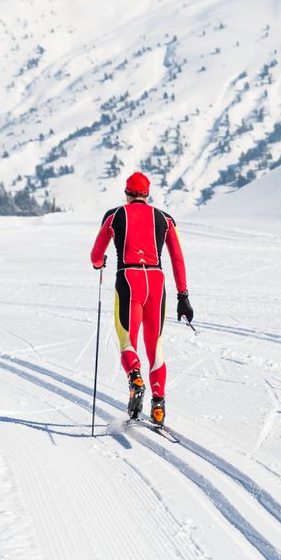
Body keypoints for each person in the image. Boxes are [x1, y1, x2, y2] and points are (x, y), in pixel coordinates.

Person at [89, 170, 193, 426]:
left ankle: (135, 376)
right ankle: (158, 404)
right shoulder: (165, 219)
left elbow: (95, 255)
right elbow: (177, 258)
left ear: (127, 194)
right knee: (155, 346)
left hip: (128, 280)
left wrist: (99, 262)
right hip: (157, 283)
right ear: (147, 195)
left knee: (127, 342)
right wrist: (183, 296)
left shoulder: (115, 216)